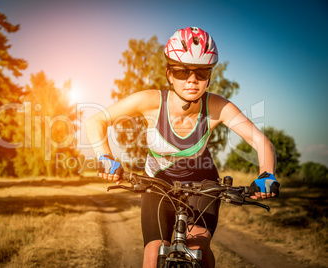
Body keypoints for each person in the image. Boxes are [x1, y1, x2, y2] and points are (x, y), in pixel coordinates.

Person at [85, 26, 280, 268]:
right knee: (152, 255)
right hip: (157, 183)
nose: (192, 80)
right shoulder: (151, 102)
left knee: (198, 246)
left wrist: (267, 175)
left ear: (209, 75)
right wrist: (105, 157)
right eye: (182, 71)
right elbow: (96, 121)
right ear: (169, 73)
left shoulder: (217, 106)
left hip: (203, 185)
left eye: (201, 72)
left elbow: (260, 141)